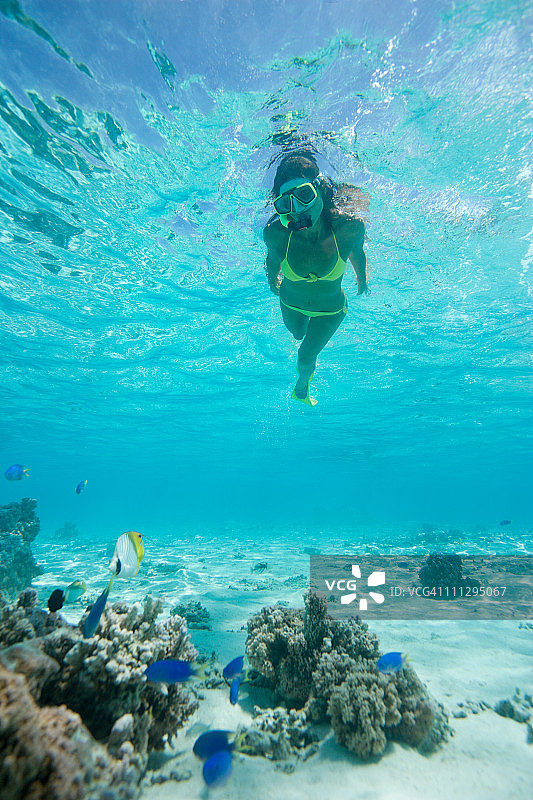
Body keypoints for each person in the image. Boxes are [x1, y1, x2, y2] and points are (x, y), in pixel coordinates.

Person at [263, 150, 368, 406]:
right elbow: (272, 260)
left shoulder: (349, 228)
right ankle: (304, 343)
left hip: (330, 311)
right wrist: (271, 281)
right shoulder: (276, 234)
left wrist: (362, 281)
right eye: (286, 204)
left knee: (306, 354)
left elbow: (357, 253)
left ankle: (302, 387)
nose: (298, 209)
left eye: (304, 195)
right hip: (290, 303)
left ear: (319, 189)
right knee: (298, 335)